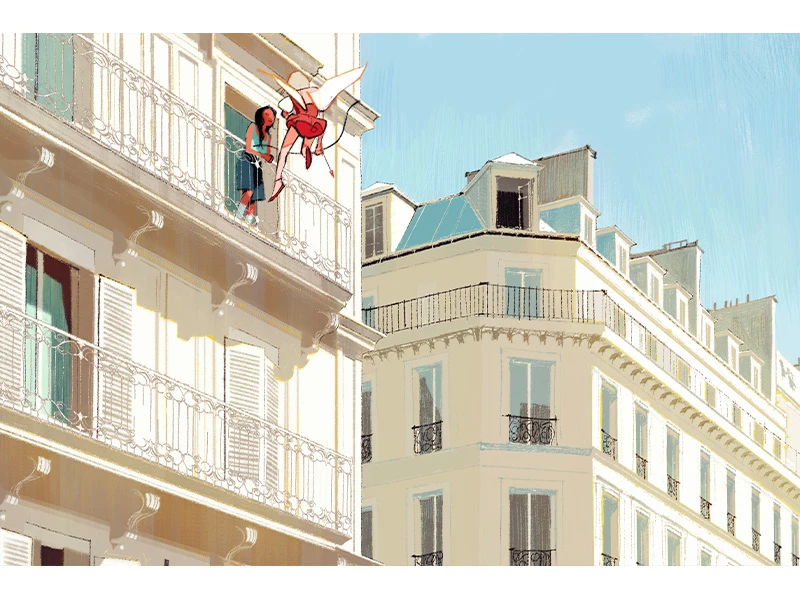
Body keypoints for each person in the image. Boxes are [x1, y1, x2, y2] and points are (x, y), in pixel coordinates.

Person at [258, 65, 366, 202]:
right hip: (314, 125)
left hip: (300, 122)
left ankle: (278, 180)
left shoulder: (295, 95)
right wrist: (319, 143)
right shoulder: (317, 93)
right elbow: (320, 116)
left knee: (284, 152)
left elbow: (287, 111)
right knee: (309, 133)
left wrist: (286, 114)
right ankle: (306, 148)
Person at [232, 106, 276, 226]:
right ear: (261, 116)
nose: (270, 117)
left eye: (272, 115)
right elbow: (249, 148)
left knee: (254, 198)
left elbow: (267, 154)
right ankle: (238, 216)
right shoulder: (253, 127)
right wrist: (264, 155)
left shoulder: (268, 136)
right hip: (247, 159)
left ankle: (248, 222)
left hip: (257, 165)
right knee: (248, 192)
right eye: (267, 114)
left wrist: (269, 157)